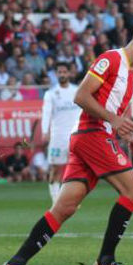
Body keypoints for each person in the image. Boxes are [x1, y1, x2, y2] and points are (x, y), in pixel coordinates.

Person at [0, 21, 133, 265]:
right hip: (93, 134)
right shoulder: (111, 59)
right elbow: (81, 96)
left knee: (64, 207)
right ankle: (105, 263)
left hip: (94, 138)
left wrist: (130, 137)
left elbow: (117, 109)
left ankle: (15, 264)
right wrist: (113, 120)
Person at [40, 62, 81, 200]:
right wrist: (45, 131)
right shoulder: (50, 94)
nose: (62, 74)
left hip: (75, 136)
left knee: (75, 169)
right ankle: (55, 200)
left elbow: (83, 112)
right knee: (55, 169)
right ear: (56, 74)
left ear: (69, 73)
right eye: (60, 72)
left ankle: (70, 198)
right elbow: (46, 113)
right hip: (58, 136)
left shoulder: (77, 91)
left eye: (65, 72)